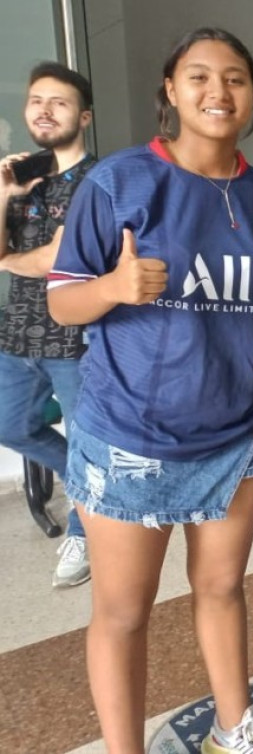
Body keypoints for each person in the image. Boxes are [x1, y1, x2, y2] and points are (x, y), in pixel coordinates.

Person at [46, 28, 253, 754]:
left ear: (252, 95)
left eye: (234, 79)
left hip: (235, 436)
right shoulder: (119, 182)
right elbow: (64, 304)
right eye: (199, 77)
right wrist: (113, 286)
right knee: (123, 614)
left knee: (222, 589)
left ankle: (233, 728)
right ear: (170, 89)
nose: (218, 92)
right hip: (133, 436)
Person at [0, 61, 94, 587]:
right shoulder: (22, 180)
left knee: (84, 440)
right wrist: (4, 195)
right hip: (16, 335)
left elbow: (60, 259)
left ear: (83, 117)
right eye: (37, 100)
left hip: (72, 340)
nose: (44, 109)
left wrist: (10, 259)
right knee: (9, 426)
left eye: (58, 102)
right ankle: (86, 487)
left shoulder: (95, 181)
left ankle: (84, 532)